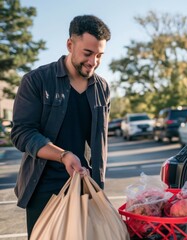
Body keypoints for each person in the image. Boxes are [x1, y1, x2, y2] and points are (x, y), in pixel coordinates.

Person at [10, 15, 111, 238]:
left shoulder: (102, 87)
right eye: (87, 53)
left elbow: (100, 142)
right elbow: (21, 133)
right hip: (43, 190)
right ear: (70, 44)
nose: (93, 62)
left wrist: (98, 187)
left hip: (85, 187)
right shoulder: (36, 80)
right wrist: (63, 155)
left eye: (99, 56)